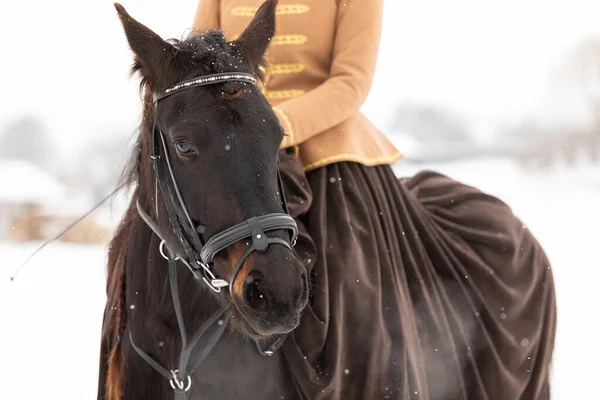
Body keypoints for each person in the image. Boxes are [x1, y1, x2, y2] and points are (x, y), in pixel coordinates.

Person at [191, 1, 556, 399]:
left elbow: (350, 82)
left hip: (330, 159)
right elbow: (192, 72)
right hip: (235, 162)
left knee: (352, 294)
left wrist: (273, 127)